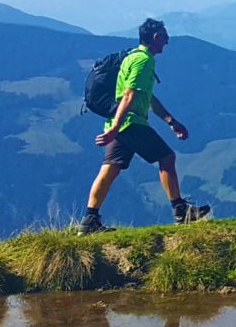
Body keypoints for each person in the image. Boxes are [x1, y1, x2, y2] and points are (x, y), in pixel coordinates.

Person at [80, 18, 209, 233]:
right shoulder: (143, 61)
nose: (167, 41)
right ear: (156, 37)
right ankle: (180, 210)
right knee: (167, 158)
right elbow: (129, 96)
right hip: (130, 122)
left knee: (109, 169)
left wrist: (171, 121)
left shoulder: (131, 57)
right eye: (165, 37)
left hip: (119, 122)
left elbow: (147, 97)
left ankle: (89, 221)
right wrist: (115, 130)